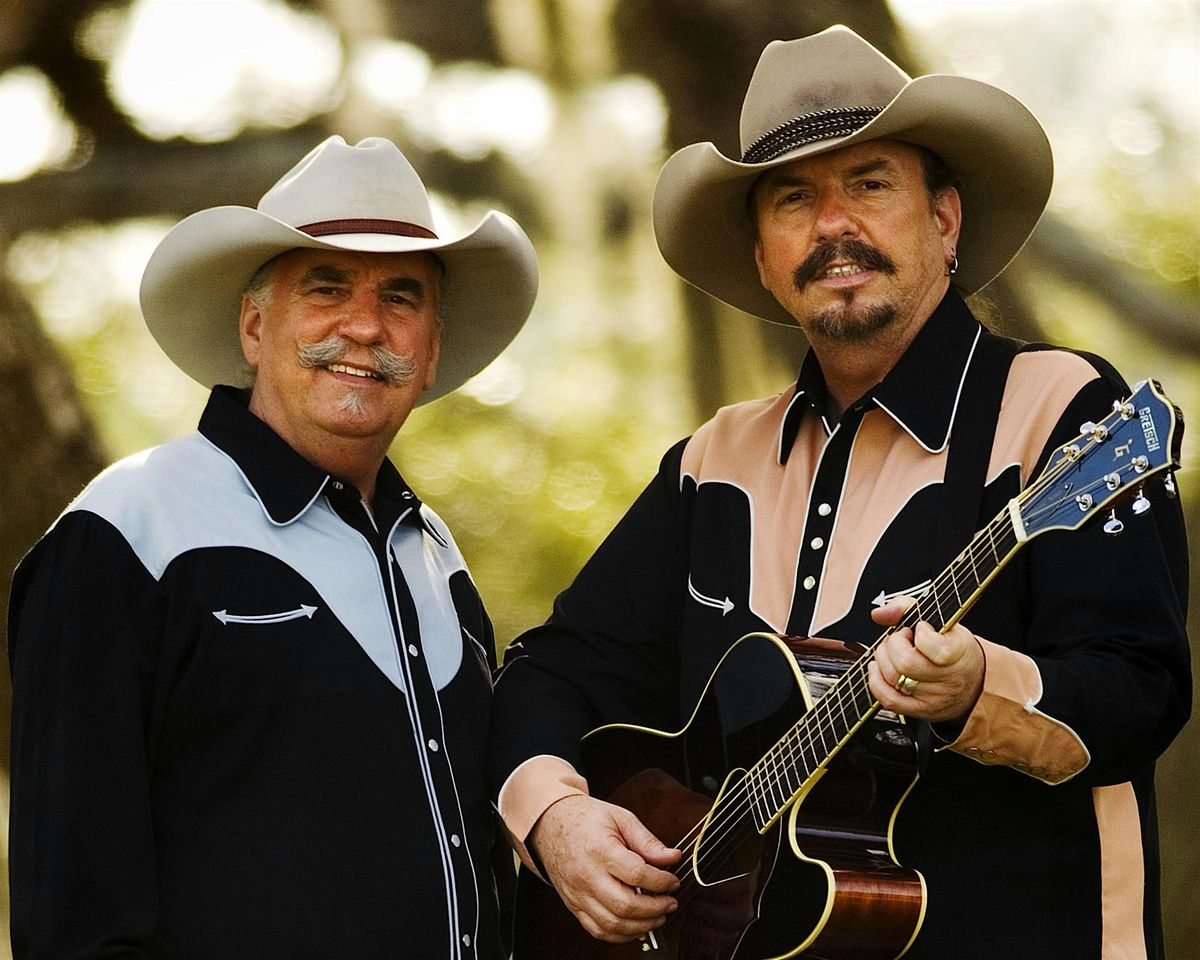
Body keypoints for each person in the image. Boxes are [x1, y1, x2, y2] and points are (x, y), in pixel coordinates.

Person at [489, 25, 1190, 960]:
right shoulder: (713, 459)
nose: (832, 226)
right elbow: (552, 669)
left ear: (944, 221)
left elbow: (1142, 694)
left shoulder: (1063, 411)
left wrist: (979, 689)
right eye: (793, 199)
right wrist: (556, 816)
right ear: (764, 259)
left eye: (869, 184)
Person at [8, 136, 538, 959]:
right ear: (256, 325)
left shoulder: (436, 556)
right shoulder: (128, 530)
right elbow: (75, 910)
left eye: (402, 298)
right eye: (327, 287)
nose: (365, 326)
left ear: (430, 350)